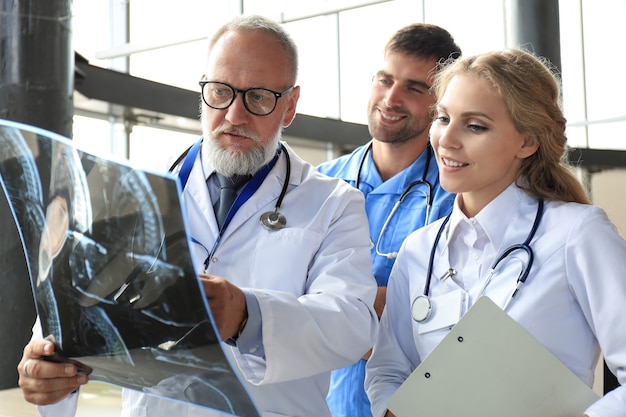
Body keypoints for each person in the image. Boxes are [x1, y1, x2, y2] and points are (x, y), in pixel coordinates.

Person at [18, 14, 379, 417]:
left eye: (258, 96)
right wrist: (48, 372)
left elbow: (352, 324)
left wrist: (248, 315)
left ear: (290, 106)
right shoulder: (126, 192)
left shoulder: (334, 203)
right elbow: (68, 317)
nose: (235, 115)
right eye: (221, 91)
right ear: (203, 91)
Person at [364, 48, 626, 417]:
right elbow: (388, 369)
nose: (446, 140)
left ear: (527, 141)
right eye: (442, 118)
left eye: (475, 126)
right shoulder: (419, 250)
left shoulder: (577, 235)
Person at [317, 23, 461, 417]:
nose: (391, 98)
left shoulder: (458, 194)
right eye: (385, 80)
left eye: (414, 88)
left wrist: (329, 312)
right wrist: (385, 309)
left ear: (441, 103)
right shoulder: (318, 184)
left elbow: (447, 325)